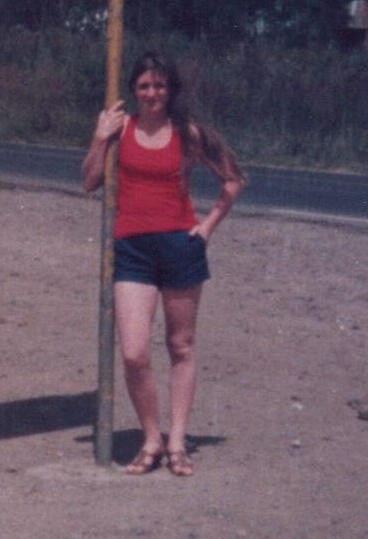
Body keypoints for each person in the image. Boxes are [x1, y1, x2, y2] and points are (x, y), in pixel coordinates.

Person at [82, 50, 247, 477]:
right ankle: (150, 437)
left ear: (169, 89)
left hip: (180, 247)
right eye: (143, 86)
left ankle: (177, 441)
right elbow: (89, 181)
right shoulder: (122, 130)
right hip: (132, 249)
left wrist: (208, 226)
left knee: (180, 346)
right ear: (134, 90)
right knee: (135, 352)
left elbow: (233, 179)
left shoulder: (188, 133)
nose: (152, 93)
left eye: (158, 85)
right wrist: (100, 138)